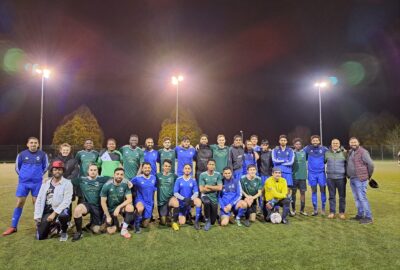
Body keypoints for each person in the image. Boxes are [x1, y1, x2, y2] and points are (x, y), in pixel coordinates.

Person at [3, 137, 49, 236]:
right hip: (23, 183)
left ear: (38, 144)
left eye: (35, 143)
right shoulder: (22, 154)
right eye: (31, 143)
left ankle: (39, 226)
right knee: (20, 202)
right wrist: (23, 176)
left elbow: (45, 167)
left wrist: (38, 175)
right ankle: (13, 226)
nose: (33, 144)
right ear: (27, 144)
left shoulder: (43, 155)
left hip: (37, 183)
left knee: (37, 204)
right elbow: (17, 167)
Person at [70, 164, 111, 241]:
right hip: (87, 204)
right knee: (77, 210)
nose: (93, 172)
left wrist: (127, 182)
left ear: (97, 171)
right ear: (88, 171)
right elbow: (66, 181)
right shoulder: (82, 179)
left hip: (99, 207)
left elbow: (116, 178)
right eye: (91, 170)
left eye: (95, 170)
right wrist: (49, 179)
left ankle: (92, 224)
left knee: (96, 230)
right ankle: (79, 232)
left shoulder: (103, 179)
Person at [34, 161, 73, 241]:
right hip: (47, 209)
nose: (57, 171)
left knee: (63, 215)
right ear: (52, 171)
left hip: (60, 209)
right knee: (40, 237)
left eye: (59, 169)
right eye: (55, 169)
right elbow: (39, 199)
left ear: (63, 171)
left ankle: (64, 232)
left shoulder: (67, 183)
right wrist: (37, 216)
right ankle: (55, 226)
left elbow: (67, 201)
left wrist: (54, 214)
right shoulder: (46, 183)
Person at [347, 137, 374, 224]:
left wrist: (368, 175)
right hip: (352, 178)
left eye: (355, 142)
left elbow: (371, 164)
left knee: (362, 198)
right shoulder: (351, 152)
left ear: (358, 143)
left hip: (361, 179)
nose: (353, 144)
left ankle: (369, 217)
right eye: (351, 142)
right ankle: (360, 215)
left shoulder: (363, 152)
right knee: (357, 198)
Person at [100, 168, 134, 238]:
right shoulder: (107, 185)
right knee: (110, 231)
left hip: (120, 208)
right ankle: (118, 222)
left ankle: (123, 230)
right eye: (117, 174)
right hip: (110, 209)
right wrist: (108, 216)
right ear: (114, 175)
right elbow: (103, 202)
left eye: (121, 174)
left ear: (123, 176)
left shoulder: (125, 184)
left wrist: (119, 207)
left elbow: (129, 199)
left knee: (130, 207)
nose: (119, 176)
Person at [303, 135, 328, 216]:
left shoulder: (324, 149)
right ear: (311, 141)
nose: (315, 142)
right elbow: (300, 153)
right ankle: (315, 209)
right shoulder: (307, 148)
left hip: (321, 173)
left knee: (323, 191)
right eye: (313, 140)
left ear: (319, 141)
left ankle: (323, 209)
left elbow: (329, 155)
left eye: (316, 140)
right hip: (311, 173)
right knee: (314, 191)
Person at [172, 164, 202, 230]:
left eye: (189, 168)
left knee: (198, 201)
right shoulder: (179, 179)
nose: (187, 170)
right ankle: (186, 215)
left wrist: (190, 199)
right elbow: (175, 192)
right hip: (181, 203)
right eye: (186, 168)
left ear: (191, 170)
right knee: (182, 222)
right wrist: (184, 199)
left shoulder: (193, 180)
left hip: (190, 201)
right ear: (183, 170)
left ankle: (196, 222)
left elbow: (196, 192)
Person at [131, 162, 157, 233]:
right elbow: (129, 184)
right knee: (140, 208)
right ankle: (136, 225)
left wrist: (153, 201)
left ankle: (135, 218)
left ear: (151, 169)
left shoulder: (153, 178)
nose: (147, 169)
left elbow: (154, 189)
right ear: (142, 169)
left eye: (148, 168)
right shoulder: (137, 178)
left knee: (145, 225)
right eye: (145, 168)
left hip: (149, 202)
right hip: (140, 200)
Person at [325, 139, 347, 220]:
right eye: (333, 143)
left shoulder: (344, 153)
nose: (335, 144)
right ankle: (332, 212)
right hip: (330, 178)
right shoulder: (327, 153)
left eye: (337, 143)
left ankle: (341, 212)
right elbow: (323, 162)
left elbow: (348, 164)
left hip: (341, 178)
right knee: (331, 196)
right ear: (331, 144)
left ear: (339, 144)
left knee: (342, 196)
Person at [199, 159, 223, 231]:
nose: (211, 166)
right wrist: (215, 188)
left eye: (213, 164)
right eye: (210, 164)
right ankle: (207, 220)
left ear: (215, 166)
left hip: (214, 197)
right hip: (205, 195)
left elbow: (220, 187)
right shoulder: (202, 175)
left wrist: (208, 186)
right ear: (207, 165)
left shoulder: (218, 174)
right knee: (207, 202)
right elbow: (202, 190)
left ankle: (209, 218)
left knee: (213, 221)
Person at [272, 135, 294, 200]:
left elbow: (291, 162)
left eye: (284, 140)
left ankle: (287, 207)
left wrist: (279, 162)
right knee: (276, 189)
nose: (283, 141)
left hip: (287, 172)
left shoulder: (290, 150)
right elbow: (274, 160)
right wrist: (285, 160)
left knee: (288, 189)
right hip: (277, 172)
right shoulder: (275, 150)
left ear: (286, 141)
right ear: (279, 141)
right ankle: (276, 209)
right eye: (281, 140)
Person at [156, 159, 178, 226]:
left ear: (171, 167)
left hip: (170, 199)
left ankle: (174, 222)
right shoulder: (157, 176)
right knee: (163, 222)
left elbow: (180, 183)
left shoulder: (174, 176)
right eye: (166, 166)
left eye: (169, 166)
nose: (167, 167)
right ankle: (167, 214)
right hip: (161, 202)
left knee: (176, 203)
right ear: (162, 166)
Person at [292, 138, 308, 216]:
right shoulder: (291, 153)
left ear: (301, 145)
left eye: (299, 144)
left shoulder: (304, 153)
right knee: (293, 193)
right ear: (294, 145)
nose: (298, 145)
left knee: (302, 193)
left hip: (302, 176)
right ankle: (293, 210)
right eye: (296, 144)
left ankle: (302, 210)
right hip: (294, 176)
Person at [258, 140, 273, 214]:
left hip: (269, 175)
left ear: (268, 146)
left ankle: (269, 207)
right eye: (263, 145)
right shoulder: (259, 153)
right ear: (261, 146)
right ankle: (261, 208)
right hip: (261, 175)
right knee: (261, 192)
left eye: (266, 145)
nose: (264, 146)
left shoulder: (271, 153)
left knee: (269, 192)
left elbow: (273, 164)